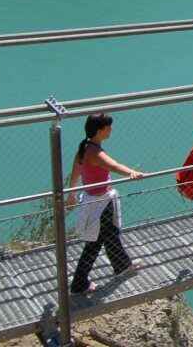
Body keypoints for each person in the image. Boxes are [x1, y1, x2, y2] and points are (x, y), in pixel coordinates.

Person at [68, 113, 144, 295]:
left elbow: (75, 173)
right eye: (108, 127)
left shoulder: (84, 148)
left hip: (94, 201)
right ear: (100, 130)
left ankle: (122, 265)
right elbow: (114, 166)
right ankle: (79, 284)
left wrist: (71, 194)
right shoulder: (95, 152)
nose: (111, 130)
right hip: (101, 203)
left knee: (109, 235)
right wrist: (132, 173)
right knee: (96, 242)